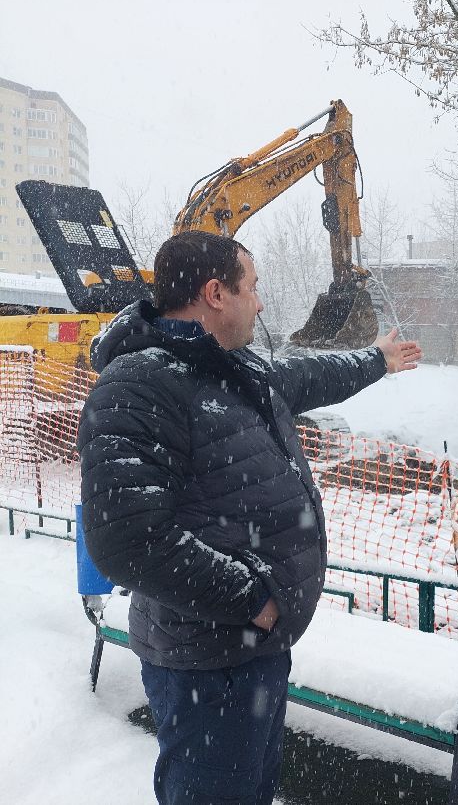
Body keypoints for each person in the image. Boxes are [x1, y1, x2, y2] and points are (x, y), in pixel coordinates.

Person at [77, 230, 422, 805]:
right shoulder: (137, 386)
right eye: (253, 288)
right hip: (207, 665)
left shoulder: (233, 369)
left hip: (254, 654)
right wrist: (255, 602)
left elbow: (309, 378)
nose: (261, 303)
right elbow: (128, 540)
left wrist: (377, 361)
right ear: (215, 293)